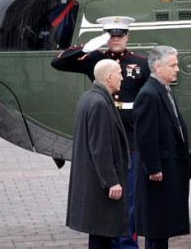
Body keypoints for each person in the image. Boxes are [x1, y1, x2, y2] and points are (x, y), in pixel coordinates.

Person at [52, 16, 149, 249]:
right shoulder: (96, 59)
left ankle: (125, 243)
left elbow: (148, 100)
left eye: (119, 35)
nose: (115, 40)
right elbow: (58, 63)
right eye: (111, 35)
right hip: (105, 134)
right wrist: (87, 47)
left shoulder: (141, 62)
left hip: (130, 139)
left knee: (128, 201)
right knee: (106, 197)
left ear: (127, 36)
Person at [66, 59, 130, 249]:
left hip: (92, 180)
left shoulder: (88, 97)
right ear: (109, 77)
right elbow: (100, 147)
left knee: (99, 234)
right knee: (102, 235)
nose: (122, 77)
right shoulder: (100, 103)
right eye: (119, 73)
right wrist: (112, 181)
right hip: (100, 183)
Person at [133, 46, 190, 249]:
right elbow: (145, 135)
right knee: (156, 228)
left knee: (161, 227)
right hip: (157, 173)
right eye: (173, 65)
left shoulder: (162, 89)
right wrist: (154, 167)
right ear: (158, 67)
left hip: (166, 169)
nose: (177, 69)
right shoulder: (149, 94)